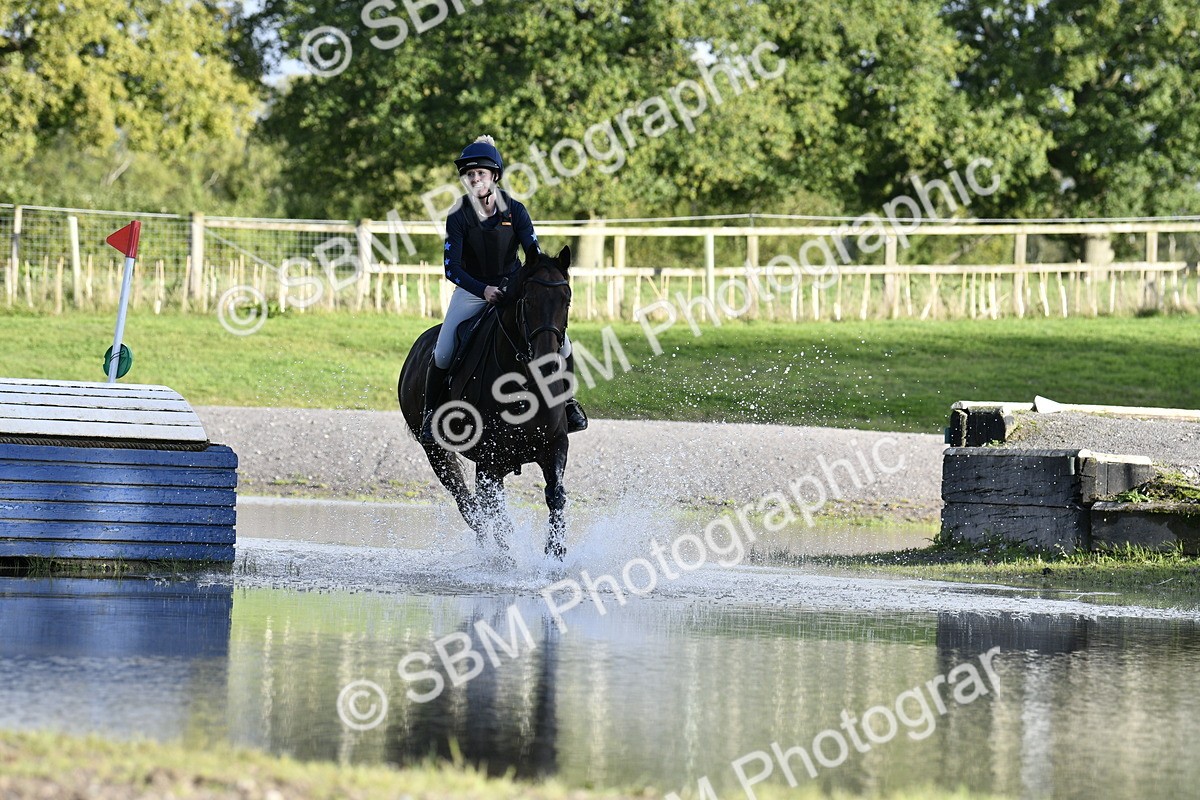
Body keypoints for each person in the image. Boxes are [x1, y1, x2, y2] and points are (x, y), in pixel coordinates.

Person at [420, 135, 588, 444]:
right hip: (472, 290)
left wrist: (526, 285)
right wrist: (483, 290)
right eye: (470, 174)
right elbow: (451, 268)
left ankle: (567, 404)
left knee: (564, 345)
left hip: (512, 288)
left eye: (481, 173)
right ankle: (431, 415)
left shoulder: (516, 211)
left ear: (494, 176)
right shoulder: (458, 215)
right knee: (443, 350)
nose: (475, 179)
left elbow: (533, 256)